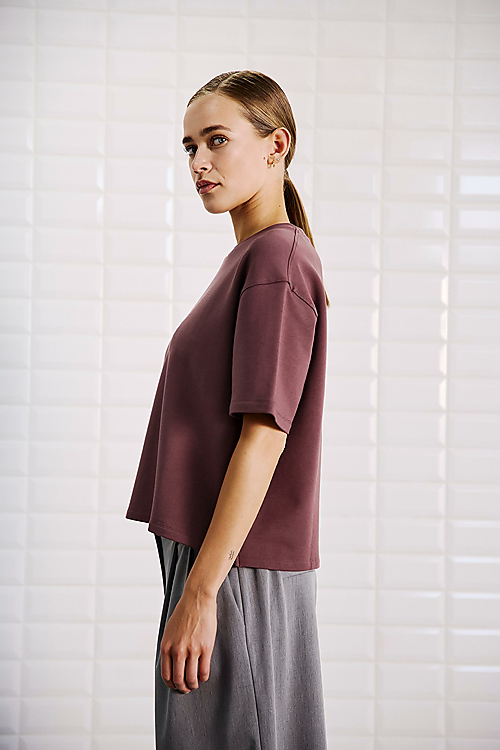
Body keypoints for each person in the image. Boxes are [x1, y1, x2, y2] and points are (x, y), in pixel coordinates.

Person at [125, 69, 330, 749]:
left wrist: (203, 591)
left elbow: (265, 437)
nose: (199, 162)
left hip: (233, 571)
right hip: (220, 562)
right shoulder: (254, 259)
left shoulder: (277, 259)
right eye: (190, 146)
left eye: (217, 140)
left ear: (277, 146)